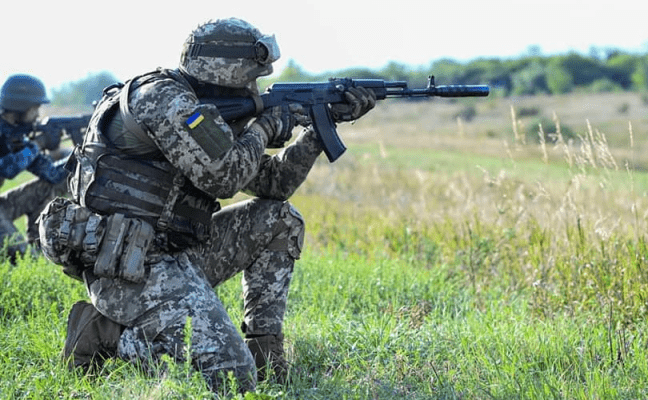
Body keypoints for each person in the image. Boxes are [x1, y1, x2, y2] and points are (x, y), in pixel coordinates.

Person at [38, 17, 375, 392]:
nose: (256, 85)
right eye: (252, 75)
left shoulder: (203, 109)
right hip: (131, 268)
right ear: (228, 70)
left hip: (179, 253)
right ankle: (103, 336)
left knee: (278, 219)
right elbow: (224, 177)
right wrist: (263, 128)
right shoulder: (163, 99)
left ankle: (267, 356)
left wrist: (317, 128)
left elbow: (273, 184)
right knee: (233, 376)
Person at [0, 74, 69, 261]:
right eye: (35, 108)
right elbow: (7, 169)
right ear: (20, 107)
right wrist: (37, 145)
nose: (38, 115)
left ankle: (39, 244)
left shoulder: (16, 136)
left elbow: (52, 175)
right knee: (24, 261)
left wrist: (78, 155)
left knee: (47, 187)